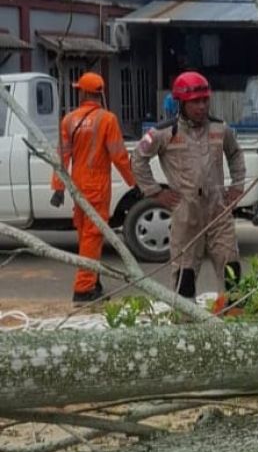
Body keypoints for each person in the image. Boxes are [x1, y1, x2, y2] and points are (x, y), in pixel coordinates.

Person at [132, 71, 245, 300]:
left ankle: (235, 315)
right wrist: (154, 191)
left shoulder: (220, 128)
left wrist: (238, 186)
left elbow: (235, 154)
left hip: (217, 209)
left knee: (231, 266)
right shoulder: (163, 133)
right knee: (185, 272)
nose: (202, 106)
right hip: (185, 211)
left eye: (205, 100)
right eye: (195, 102)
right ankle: (186, 321)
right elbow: (137, 158)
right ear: (181, 102)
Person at [50, 72, 137, 303]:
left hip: (77, 185)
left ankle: (93, 280)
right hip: (97, 186)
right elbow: (119, 155)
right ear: (99, 93)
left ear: (84, 92)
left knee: (84, 234)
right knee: (93, 236)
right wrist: (134, 183)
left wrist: (58, 187)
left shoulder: (68, 119)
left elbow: (62, 156)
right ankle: (84, 289)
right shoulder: (107, 119)